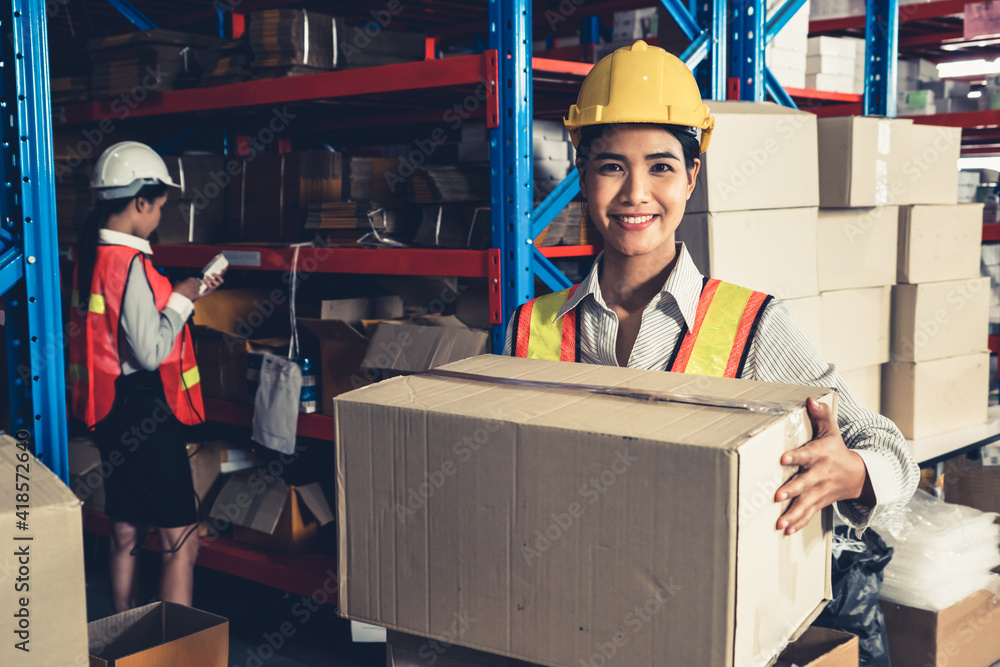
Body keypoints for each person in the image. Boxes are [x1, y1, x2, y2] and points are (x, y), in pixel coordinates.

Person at [504, 41, 918, 537]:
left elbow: (891, 451)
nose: (636, 192)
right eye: (612, 166)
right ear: (582, 174)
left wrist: (853, 472)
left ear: (691, 178)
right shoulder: (531, 327)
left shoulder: (752, 325)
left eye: (661, 167)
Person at [67, 141, 223, 612]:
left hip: (110, 409)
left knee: (126, 530)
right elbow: (152, 350)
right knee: (180, 540)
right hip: (144, 411)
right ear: (139, 203)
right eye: (159, 206)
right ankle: (174, 656)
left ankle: (122, 643)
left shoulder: (91, 254)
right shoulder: (130, 263)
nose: (159, 215)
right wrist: (181, 298)